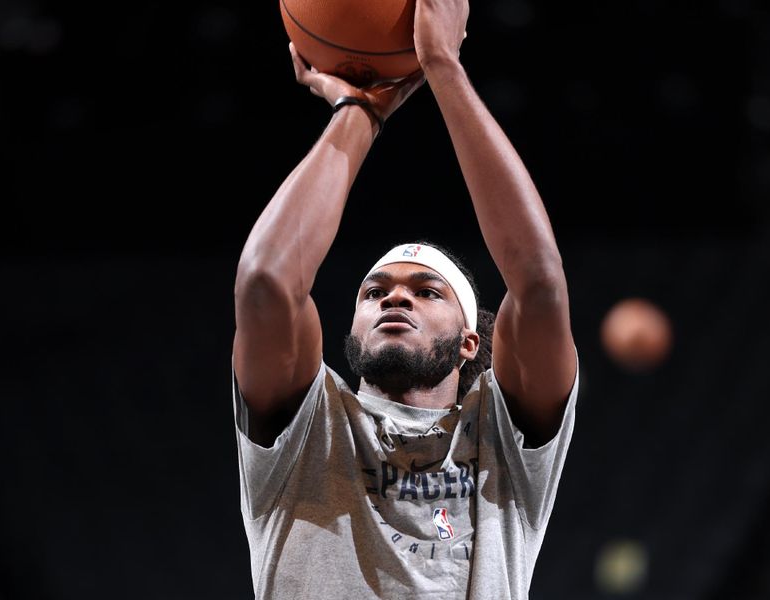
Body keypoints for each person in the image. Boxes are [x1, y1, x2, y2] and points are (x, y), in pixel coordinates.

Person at [230, 1, 579, 597]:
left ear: (471, 341)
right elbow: (266, 281)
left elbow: (540, 283)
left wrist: (443, 66)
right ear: (353, 327)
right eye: (375, 291)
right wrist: (360, 110)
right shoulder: (308, 425)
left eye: (426, 291)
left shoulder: (505, 438)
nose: (396, 298)